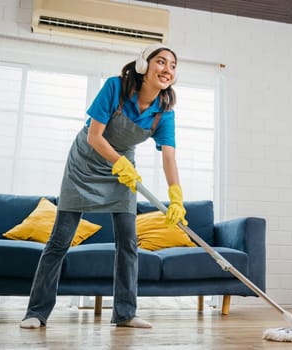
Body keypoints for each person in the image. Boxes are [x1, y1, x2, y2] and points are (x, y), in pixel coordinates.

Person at [20, 43, 187, 329]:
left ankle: (124, 313)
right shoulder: (116, 87)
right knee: (60, 241)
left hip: (121, 171)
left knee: (128, 243)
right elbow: (94, 136)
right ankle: (36, 312)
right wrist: (118, 163)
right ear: (144, 66)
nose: (167, 69)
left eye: (172, 66)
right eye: (161, 62)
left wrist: (176, 196)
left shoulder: (164, 111)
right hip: (84, 164)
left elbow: (169, 157)